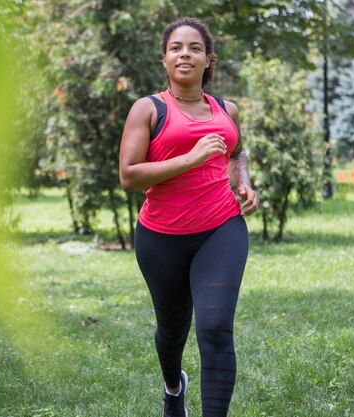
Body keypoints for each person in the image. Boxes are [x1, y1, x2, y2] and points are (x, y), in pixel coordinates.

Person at [119, 17, 258, 417]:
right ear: (164, 59)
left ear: (208, 59)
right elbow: (129, 176)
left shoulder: (225, 109)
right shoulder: (148, 109)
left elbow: (236, 152)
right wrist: (191, 157)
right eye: (176, 47)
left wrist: (244, 182)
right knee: (172, 331)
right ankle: (173, 387)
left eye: (195, 48)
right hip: (161, 237)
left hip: (221, 228)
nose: (185, 54)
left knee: (214, 328)